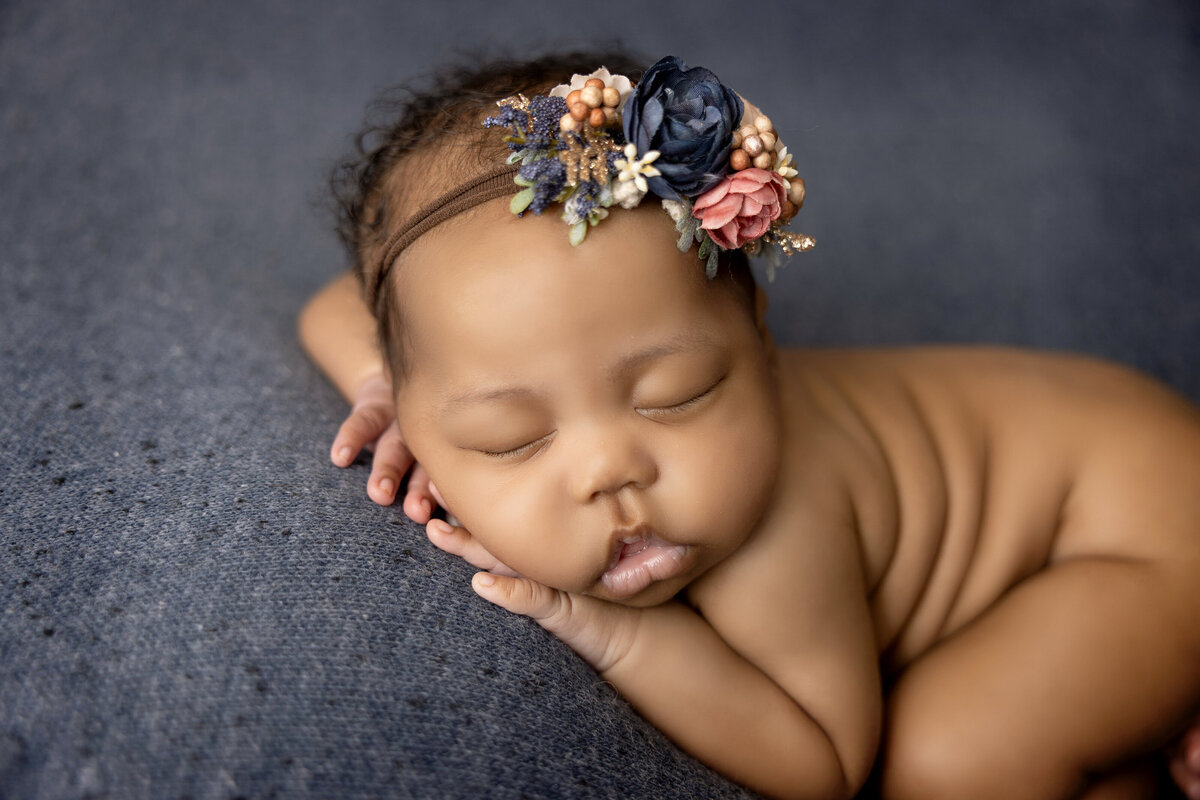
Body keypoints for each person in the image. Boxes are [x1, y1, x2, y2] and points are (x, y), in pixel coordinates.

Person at [298, 50, 1200, 799]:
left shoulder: (775, 527)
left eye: (678, 391)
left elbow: (824, 762)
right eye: (509, 436)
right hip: (1097, 508)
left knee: (945, 761)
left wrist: (621, 633)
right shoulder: (435, 368)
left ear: (759, 338)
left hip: (1144, 520)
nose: (611, 469)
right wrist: (384, 390)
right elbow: (336, 306)